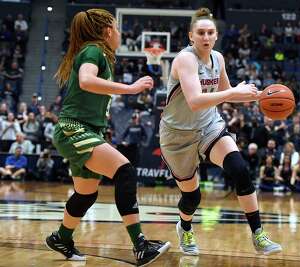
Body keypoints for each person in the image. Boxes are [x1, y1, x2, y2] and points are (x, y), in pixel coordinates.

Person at [44, 9, 170, 266]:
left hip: (83, 129)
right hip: (74, 128)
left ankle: (61, 237)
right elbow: (86, 80)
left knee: (87, 193)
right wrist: (130, 88)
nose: (121, 33)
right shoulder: (93, 50)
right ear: (108, 31)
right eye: (118, 27)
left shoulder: (98, 53)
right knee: (125, 172)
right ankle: (141, 245)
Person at [159, 8, 281, 256]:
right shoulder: (185, 59)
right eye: (201, 33)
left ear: (216, 36)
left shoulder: (218, 58)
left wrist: (254, 95)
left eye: (210, 32)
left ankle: (258, 234)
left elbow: (228, 92)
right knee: (192, 198)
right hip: (177, 135)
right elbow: (195, 100)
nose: (206, 37)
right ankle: (184, 226)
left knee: (240, 170)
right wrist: (233, 92)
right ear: (191, 36)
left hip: (208, 127)